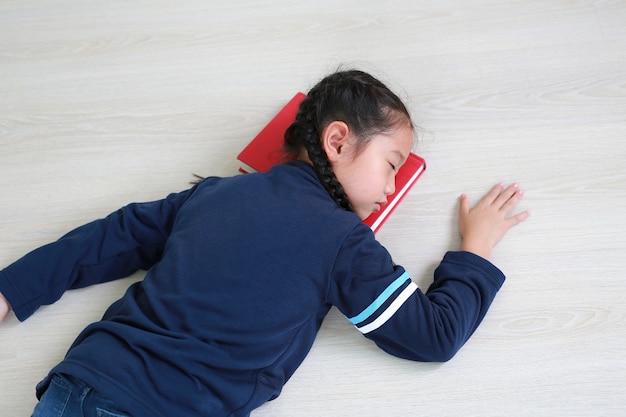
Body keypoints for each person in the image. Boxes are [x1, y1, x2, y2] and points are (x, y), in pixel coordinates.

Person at [0, 69, 529, 417]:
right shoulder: (344, 240)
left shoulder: (213, 194)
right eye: (391, 165)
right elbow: (432, 336)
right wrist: (474, 252)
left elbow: (109, 237)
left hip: (82, 385)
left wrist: (9, 289)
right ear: (337, 140)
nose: (392, 188)